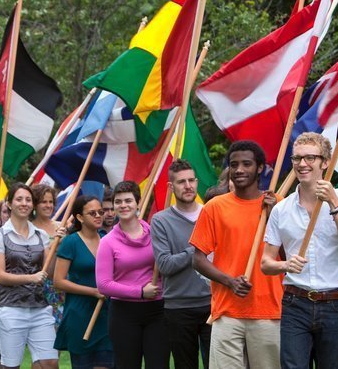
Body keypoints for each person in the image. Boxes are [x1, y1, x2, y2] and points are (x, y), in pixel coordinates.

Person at [261, 132, 338, 369]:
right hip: (295, 302)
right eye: (297, 158)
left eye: (310, 158)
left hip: (335, 302)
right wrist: (285, 265)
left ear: (325, 163)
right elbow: (266, 263)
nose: (302, 164)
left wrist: (334, 203)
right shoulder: (281, 209)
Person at [192, 141, 282, 368]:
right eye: (234, 165)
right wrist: (229, 281)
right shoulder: (214, 207)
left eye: (246, 164)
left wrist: (273, 217)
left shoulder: (278, 204)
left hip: (269, 310)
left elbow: (291, 255)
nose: (239, 169)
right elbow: (198, 258)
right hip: (227, 310)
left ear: (260, 168)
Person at [96, 180, 168, 369]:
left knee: (159, 365)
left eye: (128, 200)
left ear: (138, 203)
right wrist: (140, 292)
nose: (123, 205)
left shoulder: (156, 233)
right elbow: (103, 285)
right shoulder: (107, 242)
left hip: (158, 310)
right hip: (124, 313)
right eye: (118, 202)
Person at [0, 182, 61, 369]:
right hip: (11, 309)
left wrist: (57, 246)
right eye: (19, 199)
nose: (24, 203)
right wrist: (31, 278)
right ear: (9, 203)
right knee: (11, 366)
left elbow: (50, 273)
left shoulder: (41, 235)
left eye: (28, 200)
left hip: (41, 308)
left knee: (50, 363)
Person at [151, 159, 212, 368]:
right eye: (181, 182)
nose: (188, 186)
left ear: (196, 182)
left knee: (217, 364)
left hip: (214, 303)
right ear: (171, 186)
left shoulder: (210, 214)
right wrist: (197, 248)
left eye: (191, 180)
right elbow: (165, 265)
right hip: (179, 307)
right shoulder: (160, 220)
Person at [53, 195, 114, 369]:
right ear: (79, 217)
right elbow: (58, 282)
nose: (98, 216)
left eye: (100, 212)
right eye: (92, 213)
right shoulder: (70, 242)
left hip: (106, 314)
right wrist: (93, 291)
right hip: (80, 314)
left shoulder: (107, 239)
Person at [32, 184, 65, 327]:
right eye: (43, 202)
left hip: (60, 287)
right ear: (35, 204)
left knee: (59, 329)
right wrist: (52, 246)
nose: (48, 205)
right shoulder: (29, 228)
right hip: (37, 286)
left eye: (51, 202)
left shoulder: (61, 226)